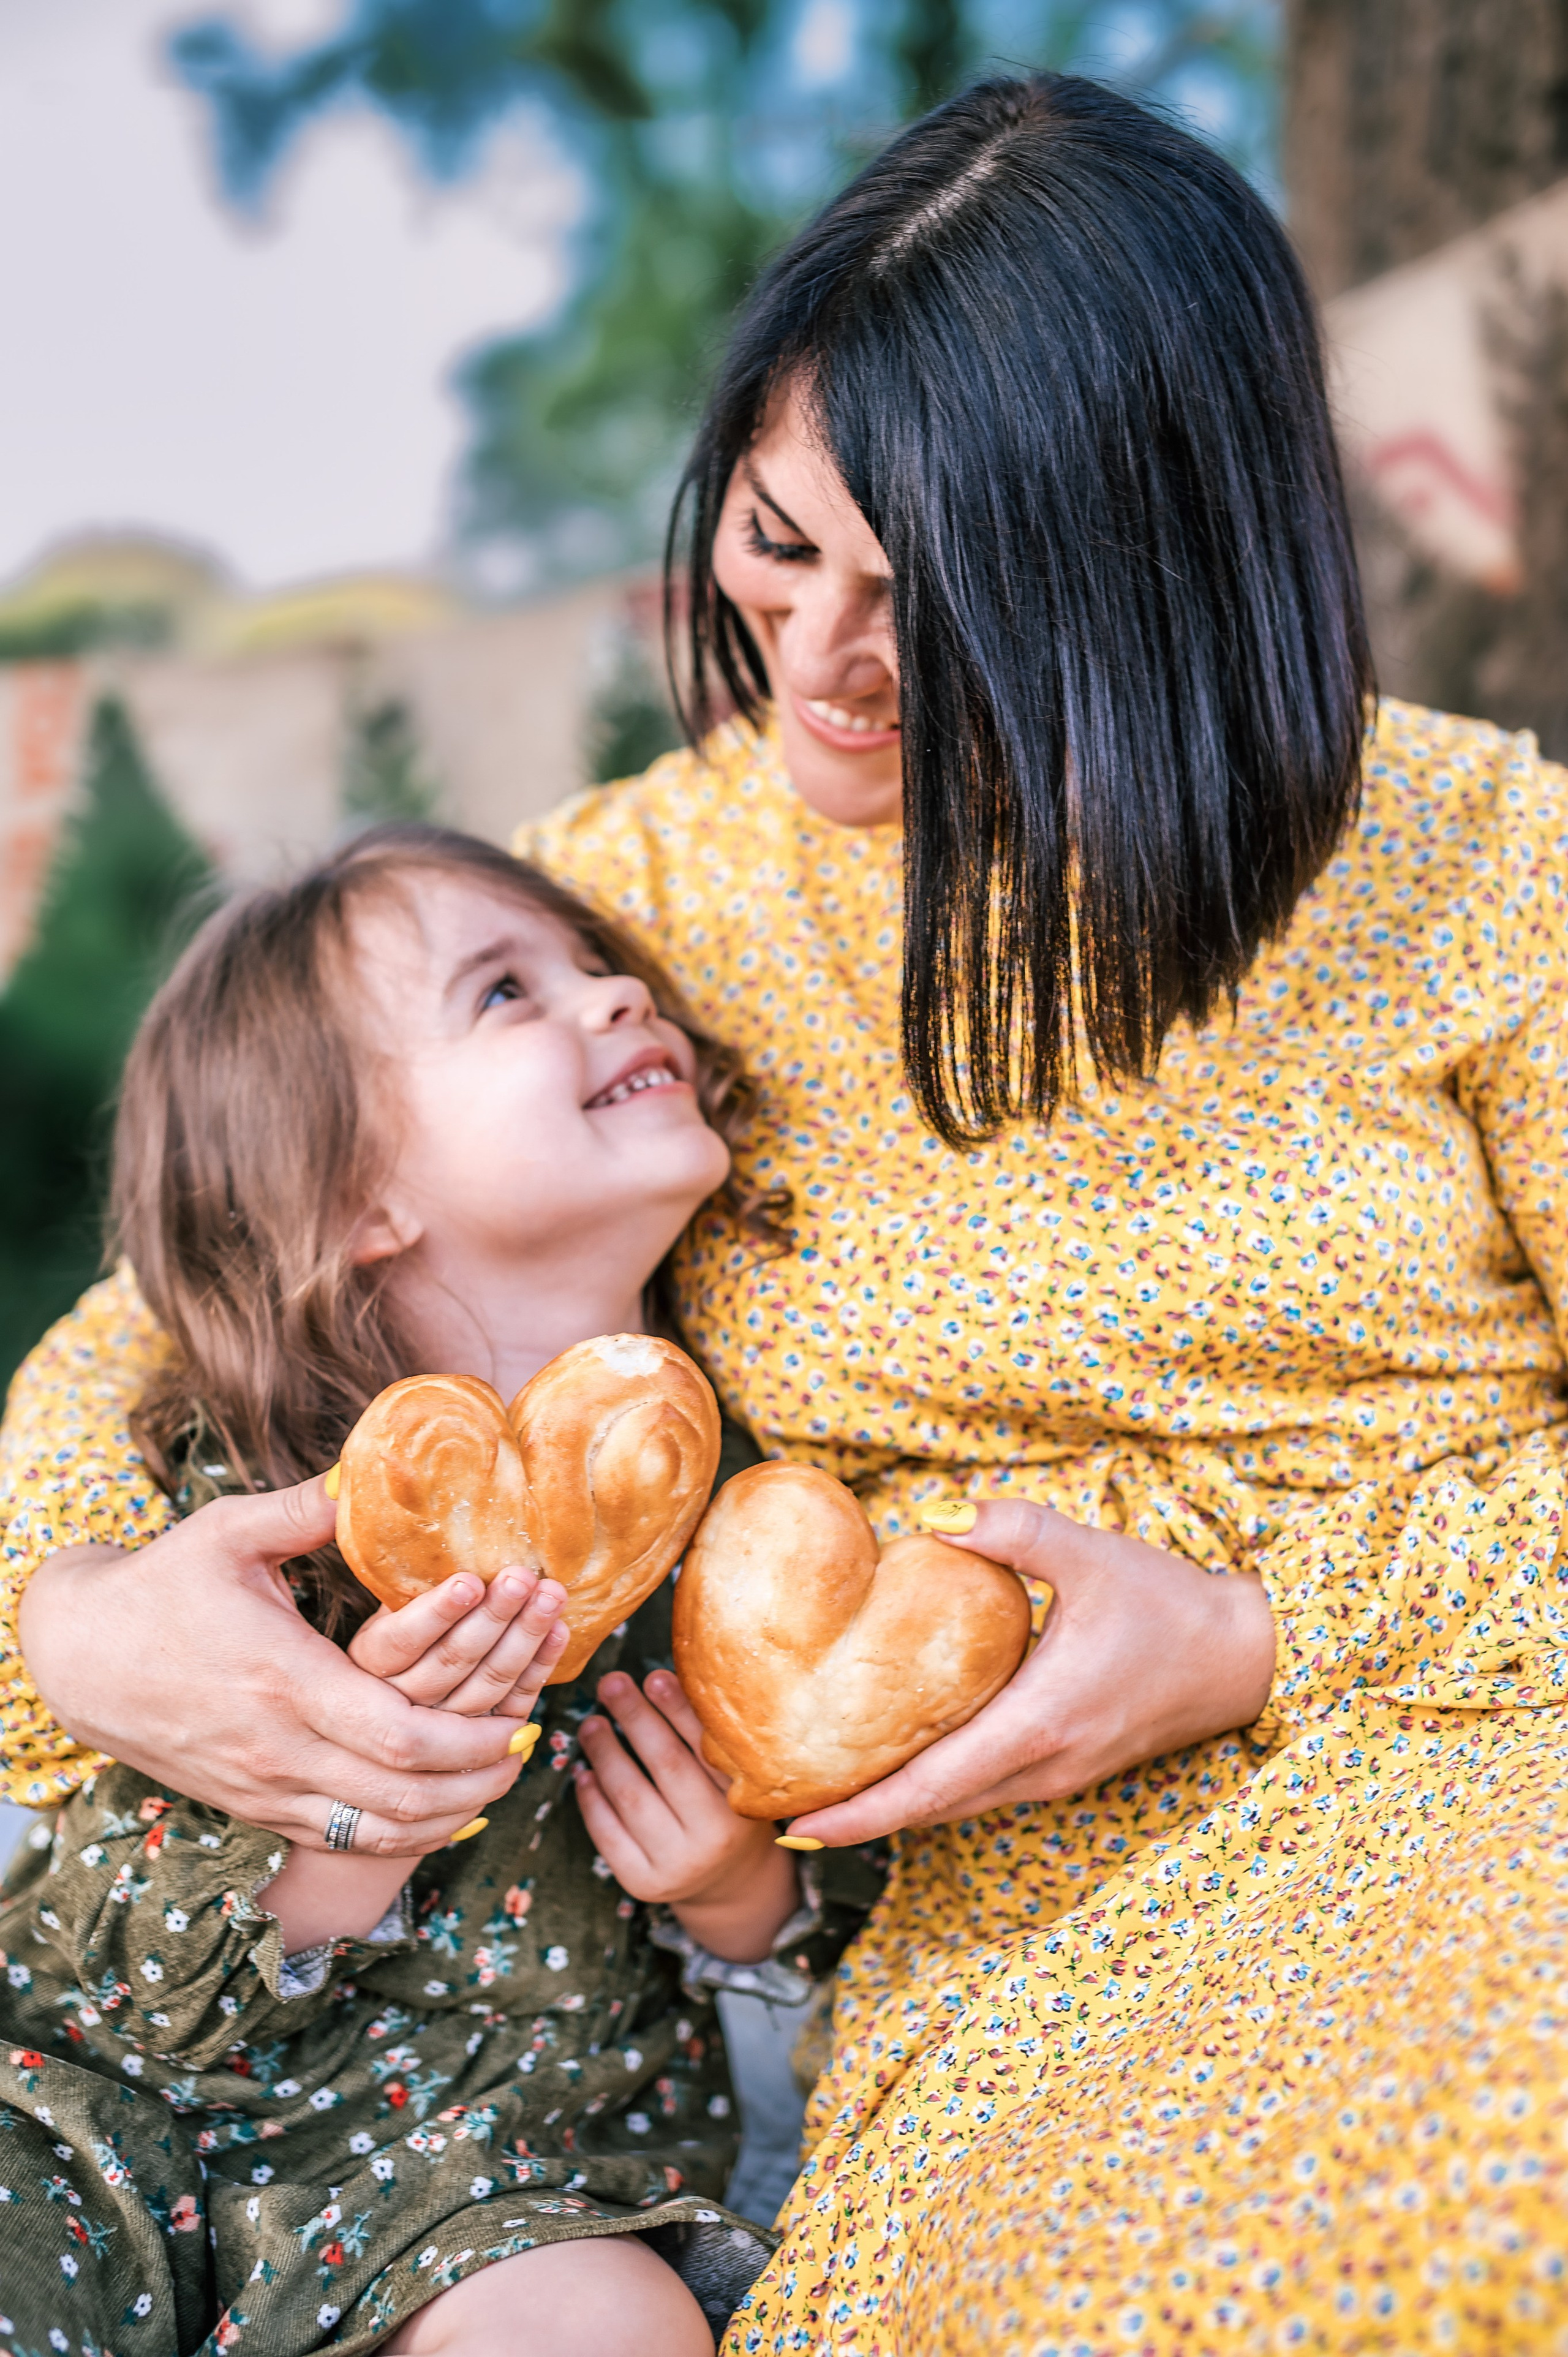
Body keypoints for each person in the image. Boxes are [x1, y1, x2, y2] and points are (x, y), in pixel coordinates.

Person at [6, 66, 1568, 2351]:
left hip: (1488, 1771)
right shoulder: (643, 917)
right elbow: (155, 1340)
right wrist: (90, 1617)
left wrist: (1258, 1639)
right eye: (773, 540)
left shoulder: (1493, 875)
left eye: (934, 597)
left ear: (1166, 574)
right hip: (1002, 1950)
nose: (820, 664)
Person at [0, 823, 850, 2355]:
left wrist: (738, 1888)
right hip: (113, 2133)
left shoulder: (749, 1525)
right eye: (508, 994)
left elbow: (852, 1886)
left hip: (493, 2185)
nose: (613, 1000)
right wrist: (361, 1805)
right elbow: (126, 1988)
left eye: (602, 966)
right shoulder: (257, 1511)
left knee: (610, 2328)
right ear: (350, 1197)